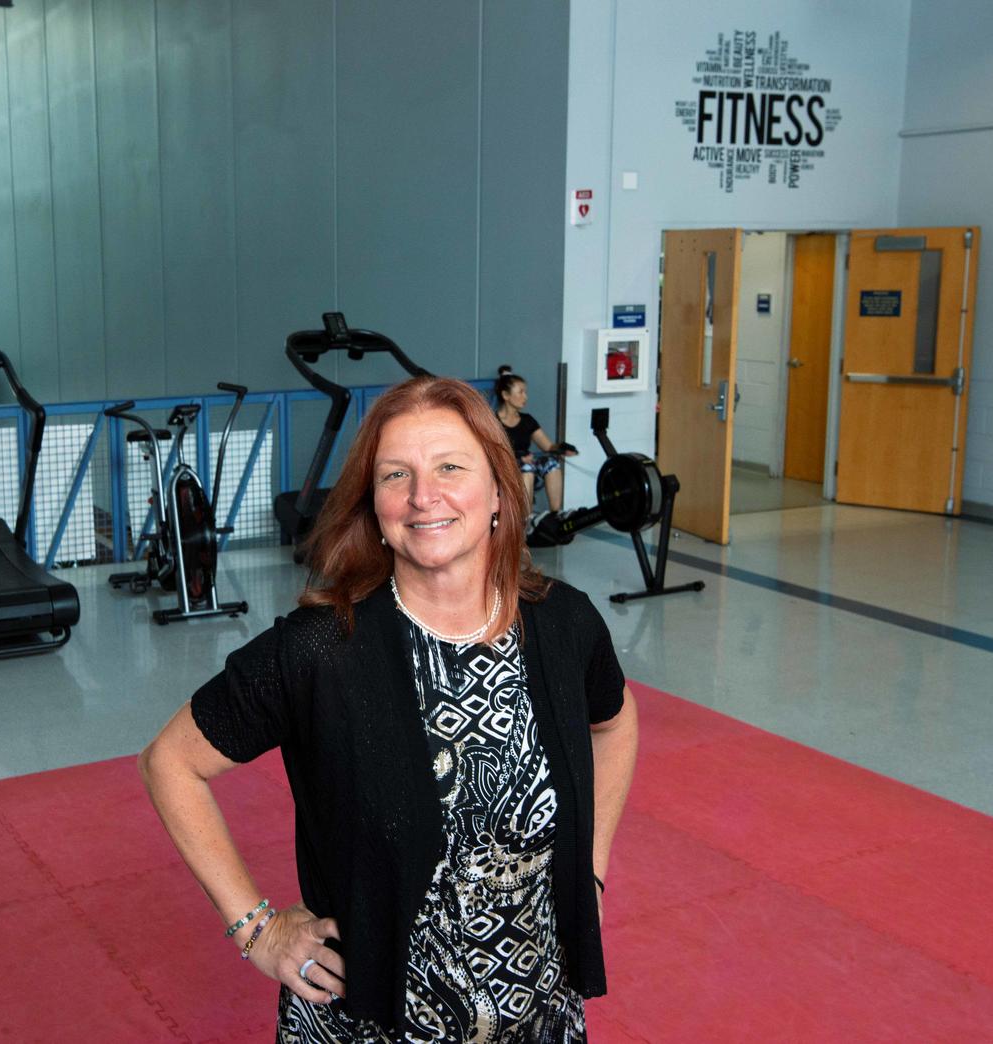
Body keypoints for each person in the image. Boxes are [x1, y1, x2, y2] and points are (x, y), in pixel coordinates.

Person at [139, 376, 638, 1042]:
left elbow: (616, 722)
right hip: (369, 1019)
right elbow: (170, 761)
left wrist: (592, 874)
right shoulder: (319, 650)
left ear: (498, 491)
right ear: (374, 507)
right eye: (395, 474)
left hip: (537, 1014)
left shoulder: (564, 625)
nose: (422, 496)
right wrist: (256, 929)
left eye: (450, 468)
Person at [495, 365, 577, 516]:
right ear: (506, 395)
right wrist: (518, 457)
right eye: (521, 392)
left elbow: (548, 446)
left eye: (525, 392)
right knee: (527, 470)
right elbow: (491, 453)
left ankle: (555, 515)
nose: (525, 397)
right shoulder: (493, 421)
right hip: (505, 467)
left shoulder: (527, 420)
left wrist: (562, 448)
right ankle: (526, 521)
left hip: (527, 463)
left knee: (551, 463)